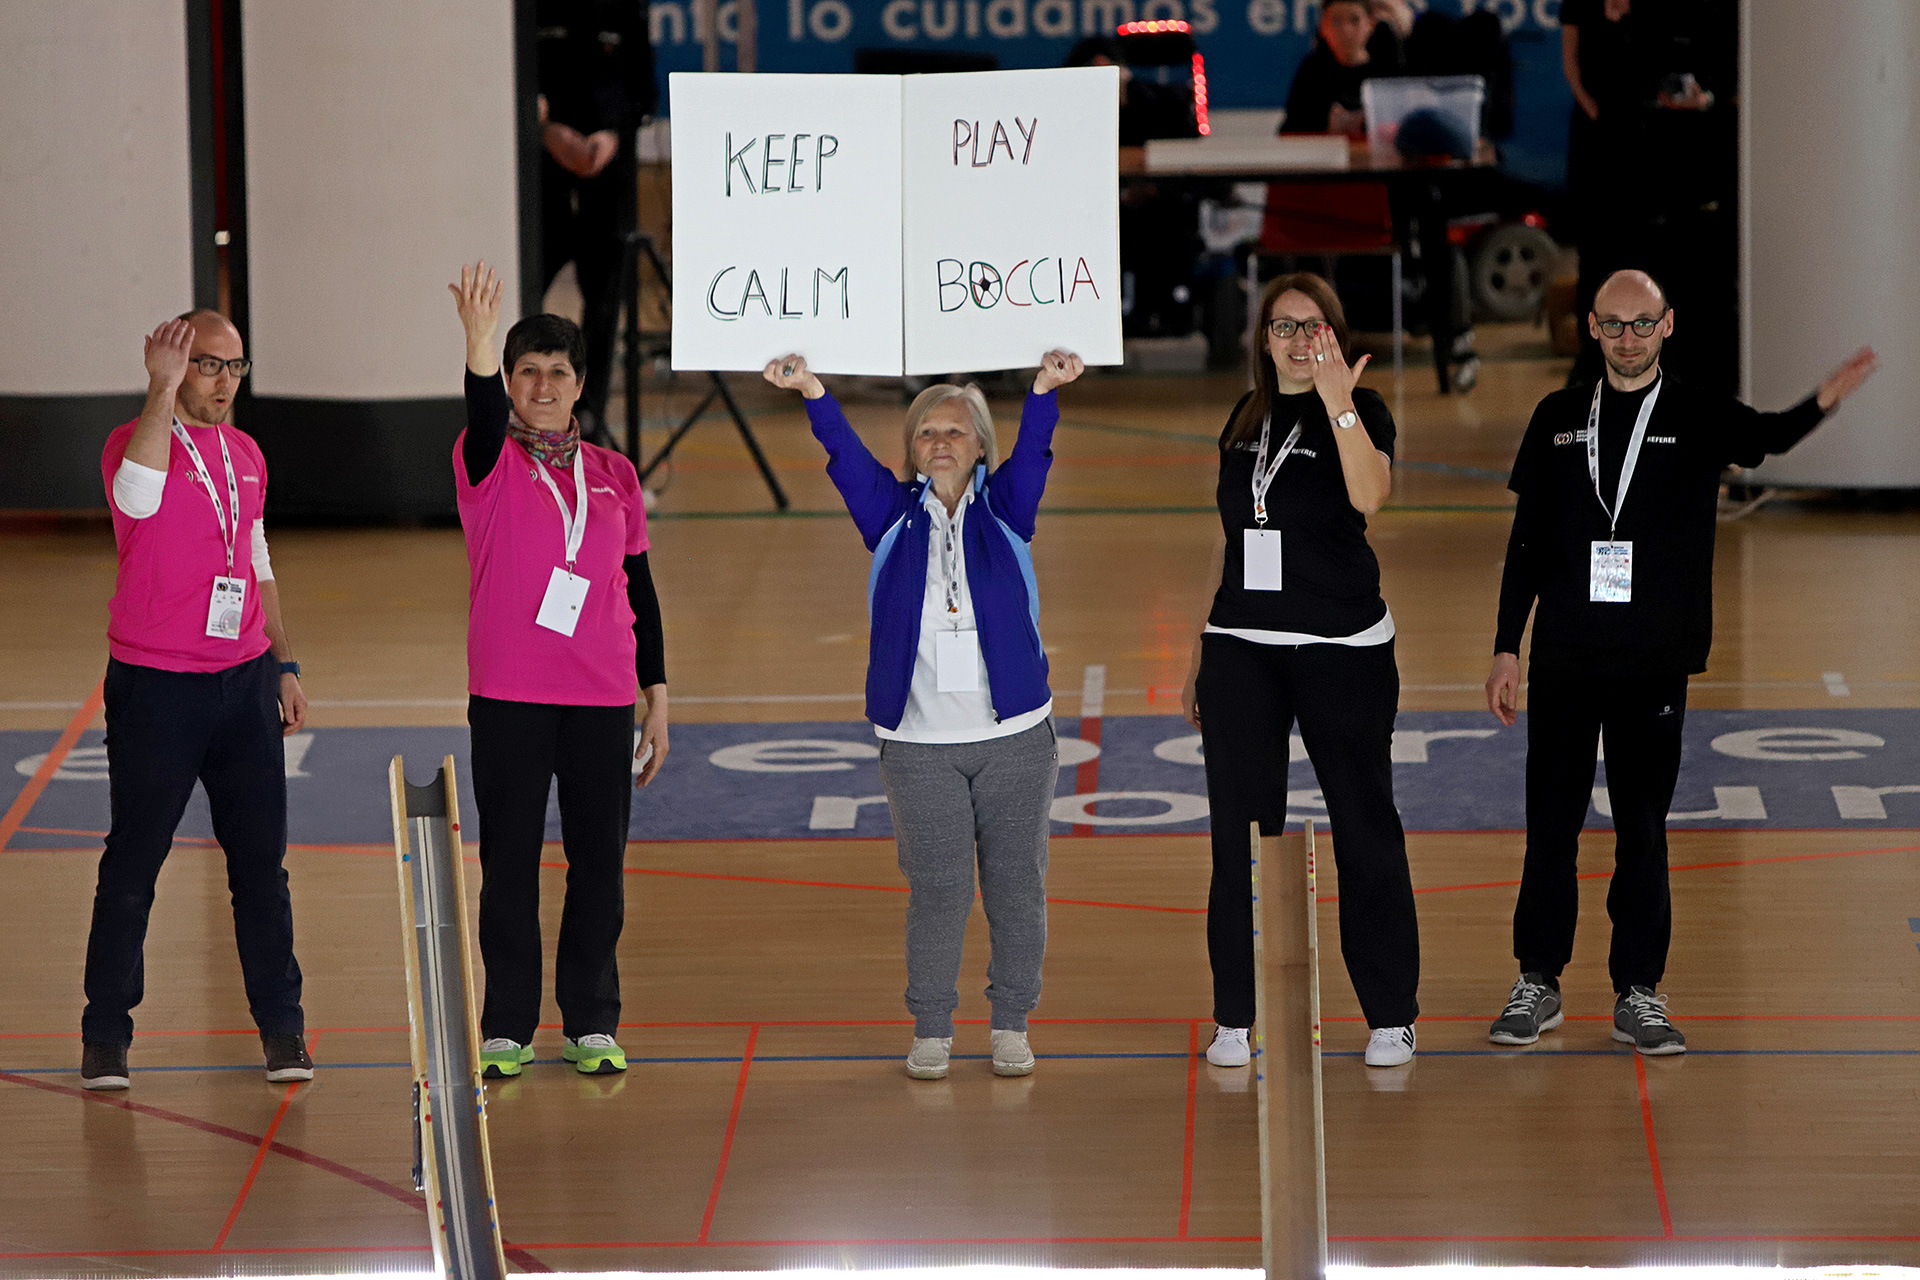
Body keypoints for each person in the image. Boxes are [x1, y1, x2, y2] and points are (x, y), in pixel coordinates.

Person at [1484, 269, 1878, 1054]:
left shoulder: (1695, 415)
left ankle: (1639, 991)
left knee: (1642, 828)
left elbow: (1764, 437)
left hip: (1653, 662)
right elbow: (1526, 542)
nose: (1627, 338)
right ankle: (1539, 980)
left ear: (1668, 326)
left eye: (1643, 323)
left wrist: (1825, 399)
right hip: (1564, 656)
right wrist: (1506, 645)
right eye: (1613, 324)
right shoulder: (1559, 416)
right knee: (1551, 826)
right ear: (1591, 329)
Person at [762, 349, 1084, 1080]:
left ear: (979, 447)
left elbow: (1036, 450)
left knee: (1015, 886)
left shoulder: (1008, 509)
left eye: (956, 431)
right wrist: (813, 389)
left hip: (1013, 740)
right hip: (918, 745)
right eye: (926, 433)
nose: (940, 443)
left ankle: (1011, 1022)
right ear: (910, 450)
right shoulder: (888, 515)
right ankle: (933, 1026)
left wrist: (1043, 391)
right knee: (938, 888)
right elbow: (842, 454)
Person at [1180, 273, 1420, 1070]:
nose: (1295, 340)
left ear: (1334, 335)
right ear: (1263, 339)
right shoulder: (1244, 418)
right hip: (1241, 646)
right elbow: (1231, 534)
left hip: (1341, 650)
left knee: (1363, 824)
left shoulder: (1363, 409)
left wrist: (1337, 402)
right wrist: (1199, 651)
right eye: (1281, 327)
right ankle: (1234, 1019)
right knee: (1238, 838)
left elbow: (1372, 496)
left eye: (1310, 326)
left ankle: (1390, 1014)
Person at [448, 261, 669, 1078]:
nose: (543, 385)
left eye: (558, 372)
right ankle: (506, 1024)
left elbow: (638, 587)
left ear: (580, 383)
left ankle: (592, 1022)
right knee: (509, 863)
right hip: (509, 694)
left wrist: (658, 697)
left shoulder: (614, 475)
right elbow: (476, 414)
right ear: (508, 382)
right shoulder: (486, 463)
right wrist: (476, 341)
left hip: (604, 694)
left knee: (599, 867)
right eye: (527, 372)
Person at [82, 310, 311, 1090]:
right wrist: (161, 389)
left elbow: (257, 562)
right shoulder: (133, 441)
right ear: (176, 368)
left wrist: (285, 663)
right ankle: (106, 1037)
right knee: (133, 866)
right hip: (155, 689)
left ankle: (283, 1031)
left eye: (234, 368)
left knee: (261, 869)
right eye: (208, 366)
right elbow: (139, 502)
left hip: (243, 685)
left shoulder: (246, 454)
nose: (223, 383)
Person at [535, 0, 656, 439]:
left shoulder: (627, 10)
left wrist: (613, 136)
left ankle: (589, 415)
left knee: (605, 300)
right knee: (525, 284)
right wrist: (545, 131)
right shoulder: (529, 11)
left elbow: (643, 91)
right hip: (539, 168)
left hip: (607, 168)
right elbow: (509, 76)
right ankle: (520, 407)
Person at [1281, 0, 1390, 137]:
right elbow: (1291, 130)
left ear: (1371, 23)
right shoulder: (1312, 72)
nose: (1346, 30)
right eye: (1336, 21)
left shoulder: (1387, 70)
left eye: (1355, 20)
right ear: (1323, 26)